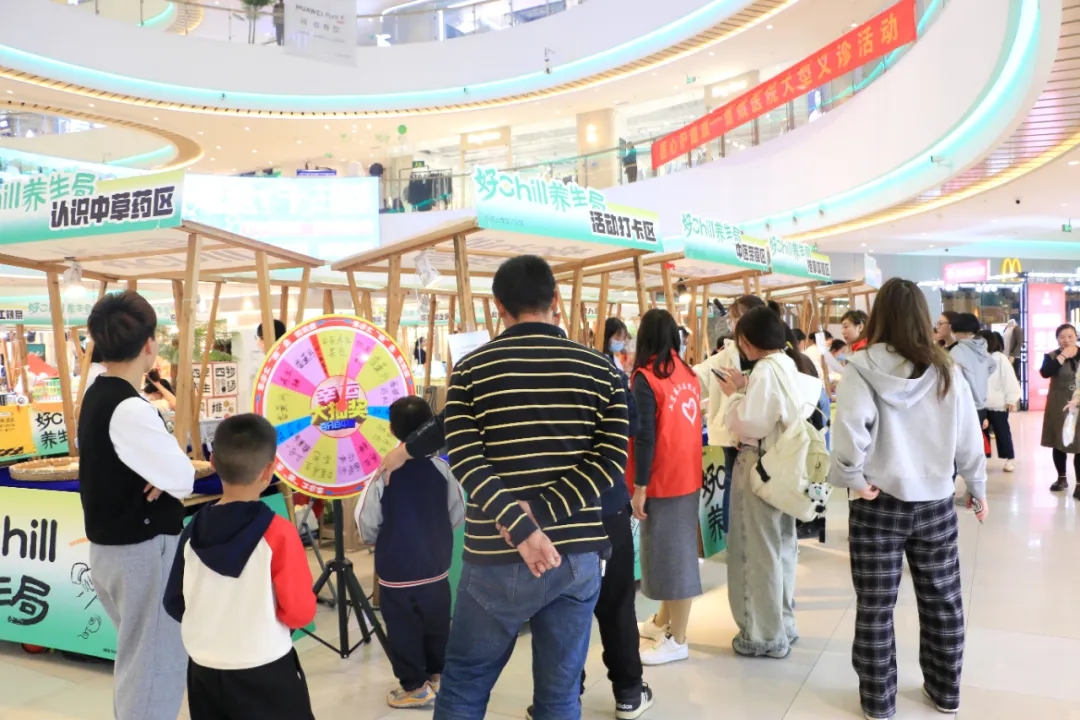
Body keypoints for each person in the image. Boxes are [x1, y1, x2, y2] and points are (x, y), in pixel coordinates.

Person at [434, 255, 628, 720]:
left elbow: (464, 459)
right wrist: (538, 512)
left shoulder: (470, 371)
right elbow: (611, 460)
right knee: (560, 695)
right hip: (576, 555)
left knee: (463, 685)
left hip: (494, 557)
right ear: (556, 300)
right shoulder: (602, 371)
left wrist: (521, 526)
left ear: (498, 306)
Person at [828, 278, 987, 720]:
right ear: (921, 317)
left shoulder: (860, 366)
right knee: (943, 601)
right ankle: (945, 690)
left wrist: (852, 480)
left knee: (876, 607)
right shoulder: (945, 370)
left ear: (879, 315)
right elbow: (968, 438)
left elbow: (849, 434)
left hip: (877, 504)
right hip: (935, 502)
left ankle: (879, 702)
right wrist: (977, 487)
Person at [78, 291, 195, 720]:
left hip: (111, 551)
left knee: (137, 664)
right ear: (149, 343)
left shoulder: (96, 393)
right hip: (143, 551)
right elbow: (182, 477)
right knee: (154, 670)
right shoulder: (129, 406)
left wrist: (160, 475)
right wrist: (165, 476)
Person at [163, 414, 317, 720]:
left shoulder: (193, 528)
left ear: (212, 463)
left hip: (204, 667)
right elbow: (299, 612)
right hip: (265, 666)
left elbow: (174, 602)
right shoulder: (278, 532)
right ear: (270, 471)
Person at [716, 306, 822, 659]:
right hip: (784, 468)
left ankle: (761, 635)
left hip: (758, 465)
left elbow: (749, 424)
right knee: (781, 548)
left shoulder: (763, 370)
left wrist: (734, 394)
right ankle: (783, 626)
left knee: (754, 552)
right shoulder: (788, 364)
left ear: (746, 341)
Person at [356, 397, 465, 709]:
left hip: (396, 568)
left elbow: (366, 521)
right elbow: (457, 513)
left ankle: (414, 685)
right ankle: (437, 676)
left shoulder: (384, 473)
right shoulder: (443, 470)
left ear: (392, 430)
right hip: (436, 564)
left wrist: (379, 541)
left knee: (403, 627)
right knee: (437, 622)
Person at [631, 309, 703, 667]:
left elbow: (644, 438)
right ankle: (663, 621)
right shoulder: (687, 373)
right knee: (670, 554)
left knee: (676, 561)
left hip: (661, 479)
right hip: (687, 476)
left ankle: (680, 638)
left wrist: (639, 485)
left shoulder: (646, 378)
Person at [691, 295, 766, 540]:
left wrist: (744, 387)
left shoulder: (771, 356)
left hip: (764, 431)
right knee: (734, 485)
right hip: (735, 432)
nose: (734, 325)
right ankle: (735, 538)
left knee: (762, 485)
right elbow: (698, 377)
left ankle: (755, 536)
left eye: (738, 318)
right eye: (733, 320)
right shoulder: (727, 354)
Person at [1041, 324, 1080, 493]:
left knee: (1079, 443)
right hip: (1058, 403)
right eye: (1062, 337)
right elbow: (1045, 372)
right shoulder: (1051, 356)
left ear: (1076, 336)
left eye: (1070, 336)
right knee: (1059, 441)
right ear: (1057, 339)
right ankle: (1061, 478)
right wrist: (1063, 356)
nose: (1066, 340)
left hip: (1078, 401)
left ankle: (1079, 484)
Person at [982, 330, 1020, 472]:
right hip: (981, 403)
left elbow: (1009, 379)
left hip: (998, 403)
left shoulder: (999, 358)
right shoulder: (977, 358)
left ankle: (1010, 458)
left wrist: (1011, 399)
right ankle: (983, 458)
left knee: (1002, 431)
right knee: (982, 433)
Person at [948, 313, 992, 422]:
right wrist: (979, 378)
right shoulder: (982, 346)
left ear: (956, 330)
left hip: (966, 405)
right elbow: (992, 365)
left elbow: (950, 375)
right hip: (981, 405)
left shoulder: (958, 350)